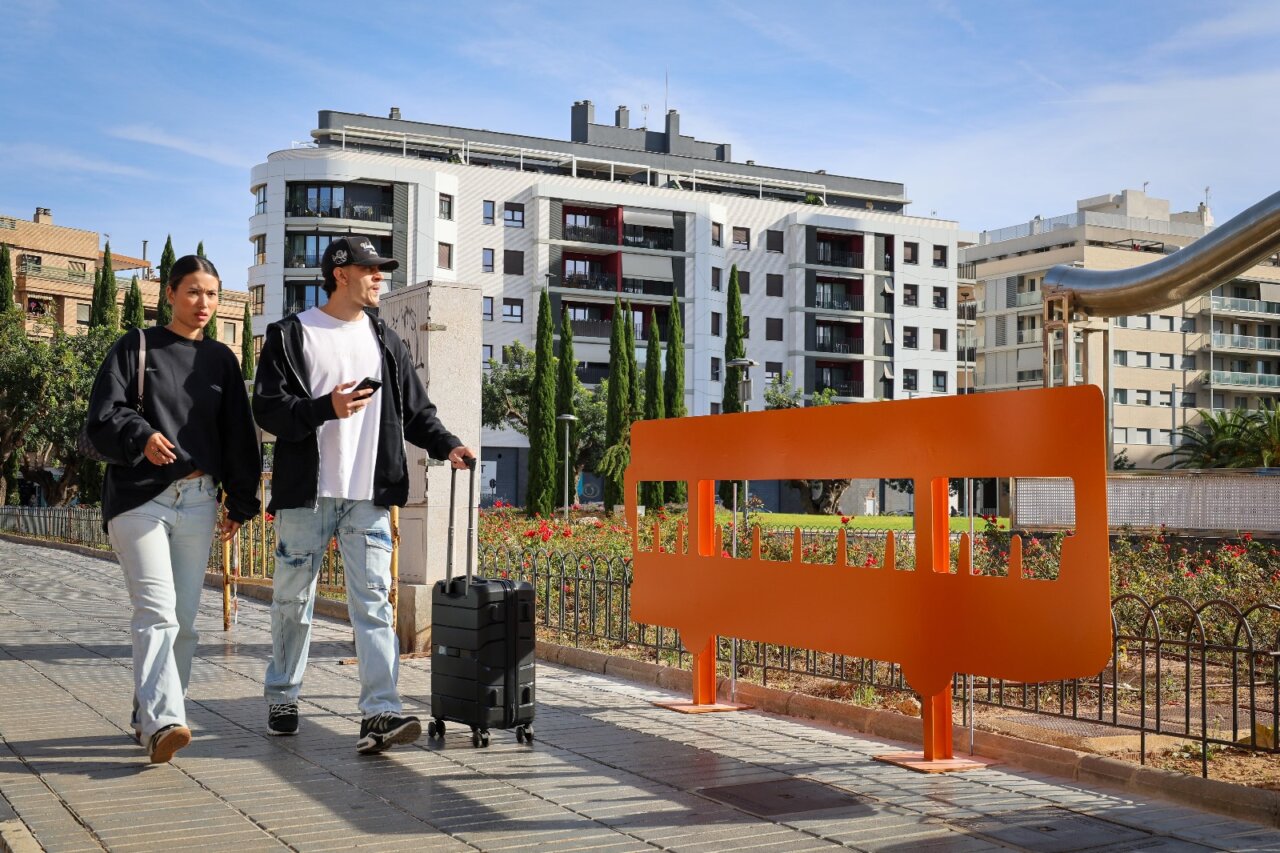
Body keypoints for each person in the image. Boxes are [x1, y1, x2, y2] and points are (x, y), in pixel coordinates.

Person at [253, 235, 475, 754]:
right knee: (291, 601)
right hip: (306, 494)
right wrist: (323, 408)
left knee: (374, 603)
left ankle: (380, 711)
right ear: (340, 274)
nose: (380, 278)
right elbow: (268, 411)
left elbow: (419, 413)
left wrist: (449, 445)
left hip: (368, 495)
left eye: (382, 271)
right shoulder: (290, 335)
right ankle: (282, 694)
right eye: (371, 270)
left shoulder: (385, 341)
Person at [85, 255, 261, 764]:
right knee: (157, 611)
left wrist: (242, 502)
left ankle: (149, 716)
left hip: (200, 501)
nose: (203, 303)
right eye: (192, 292)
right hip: (140, 499)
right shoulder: (135, 347)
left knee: (184, 621)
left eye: (212, 294)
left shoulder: (223, 361)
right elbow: (103, 416)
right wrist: (141, 436)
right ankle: (167, 719)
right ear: (169, 294)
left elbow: (237, 438)